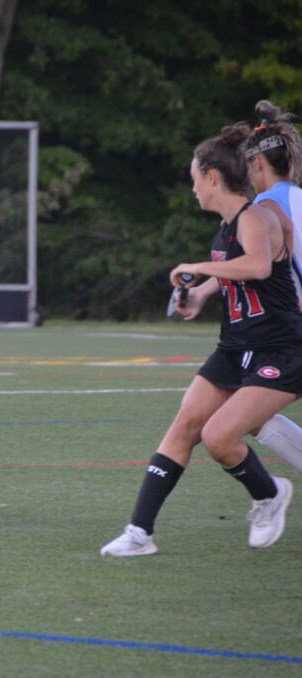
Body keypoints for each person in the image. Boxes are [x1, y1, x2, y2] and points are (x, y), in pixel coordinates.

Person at [101, 123, 298, 557]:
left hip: (280, 349)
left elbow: (259, 267)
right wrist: (201, 293)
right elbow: (238, 276)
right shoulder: (226, 230)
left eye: (194, 179)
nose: (192, 189)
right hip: (234, 348)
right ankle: (139, 532)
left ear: (212, 177)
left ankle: (269, 495)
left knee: (220, 437)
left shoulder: (257, 216)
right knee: (185, 425)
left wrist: (201, 268)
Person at [244, 100, 302, 474]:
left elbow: (258, 265)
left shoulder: (265, 206)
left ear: (258, 163)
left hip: (293, 332)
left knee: (240, 412)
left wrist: (200, 290)